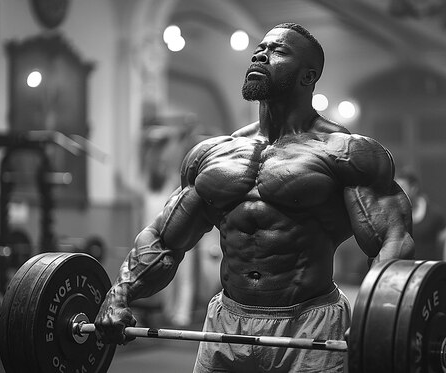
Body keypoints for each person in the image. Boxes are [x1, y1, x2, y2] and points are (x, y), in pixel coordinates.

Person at [94, 23, 414, 373]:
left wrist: (372, 314)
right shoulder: (213, 155)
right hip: (226, 321)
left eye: (279, 50)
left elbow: (392, 240)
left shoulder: (345, 152)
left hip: (309, 324)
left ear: (308, 76)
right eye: (260, 48)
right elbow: (164, 239)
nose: (260, 54)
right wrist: (120, 293)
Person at [396, 169, 446, 263]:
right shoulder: (395, 215)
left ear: (414, 188)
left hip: (428, 272)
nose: (398, 192)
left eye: (402, 187)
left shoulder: (433, 213)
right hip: (404, 273)